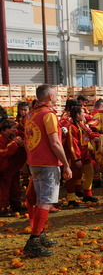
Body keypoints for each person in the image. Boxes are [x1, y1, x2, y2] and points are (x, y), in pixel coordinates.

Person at [22, 85, 73, 257]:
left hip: (34, 161)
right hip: (48, 163)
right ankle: (34, 239)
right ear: (50, 97)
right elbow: (55, 143)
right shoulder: (48, 115)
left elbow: (29, 140)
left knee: (40, 200)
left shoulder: (31, 115)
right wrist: (65, 164)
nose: (58, 97)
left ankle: (41, 233)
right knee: (46, 201)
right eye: (56, 94)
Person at [0, 119, 26, 216]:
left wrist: (22, 144)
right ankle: (3, 208)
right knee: (4, 189)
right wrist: (14, 143)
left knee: (15, 187)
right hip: (4, 169)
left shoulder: (14, 135)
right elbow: (3, 153)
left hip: (13, 167)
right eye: (13, 128)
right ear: (6, 130)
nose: (16, 130)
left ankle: (16, 205)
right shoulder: (1, 139)